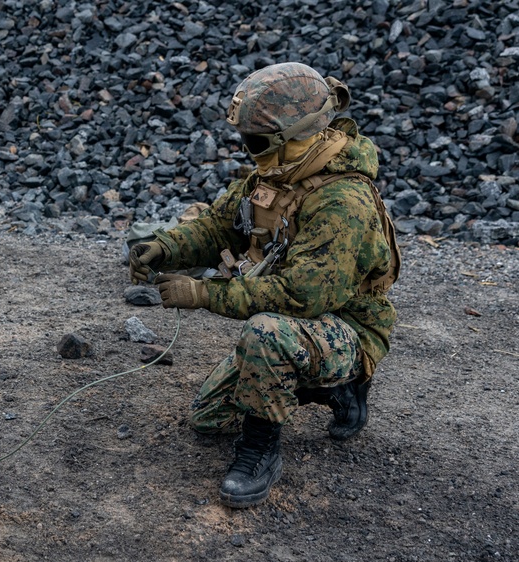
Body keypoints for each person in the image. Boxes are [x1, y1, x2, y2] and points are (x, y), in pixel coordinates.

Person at [128, 62, 400, 509]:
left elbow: (302, 296)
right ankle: (331, 391)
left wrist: (203, 294)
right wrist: (164, 248)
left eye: (256, 143)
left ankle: (261, 452)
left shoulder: (342, 200)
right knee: (209, 419)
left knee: (265, 333)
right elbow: (221, 227)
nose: (249, 152)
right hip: (297, 324)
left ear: (298, 135)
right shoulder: (277, 175)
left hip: (346, 327)